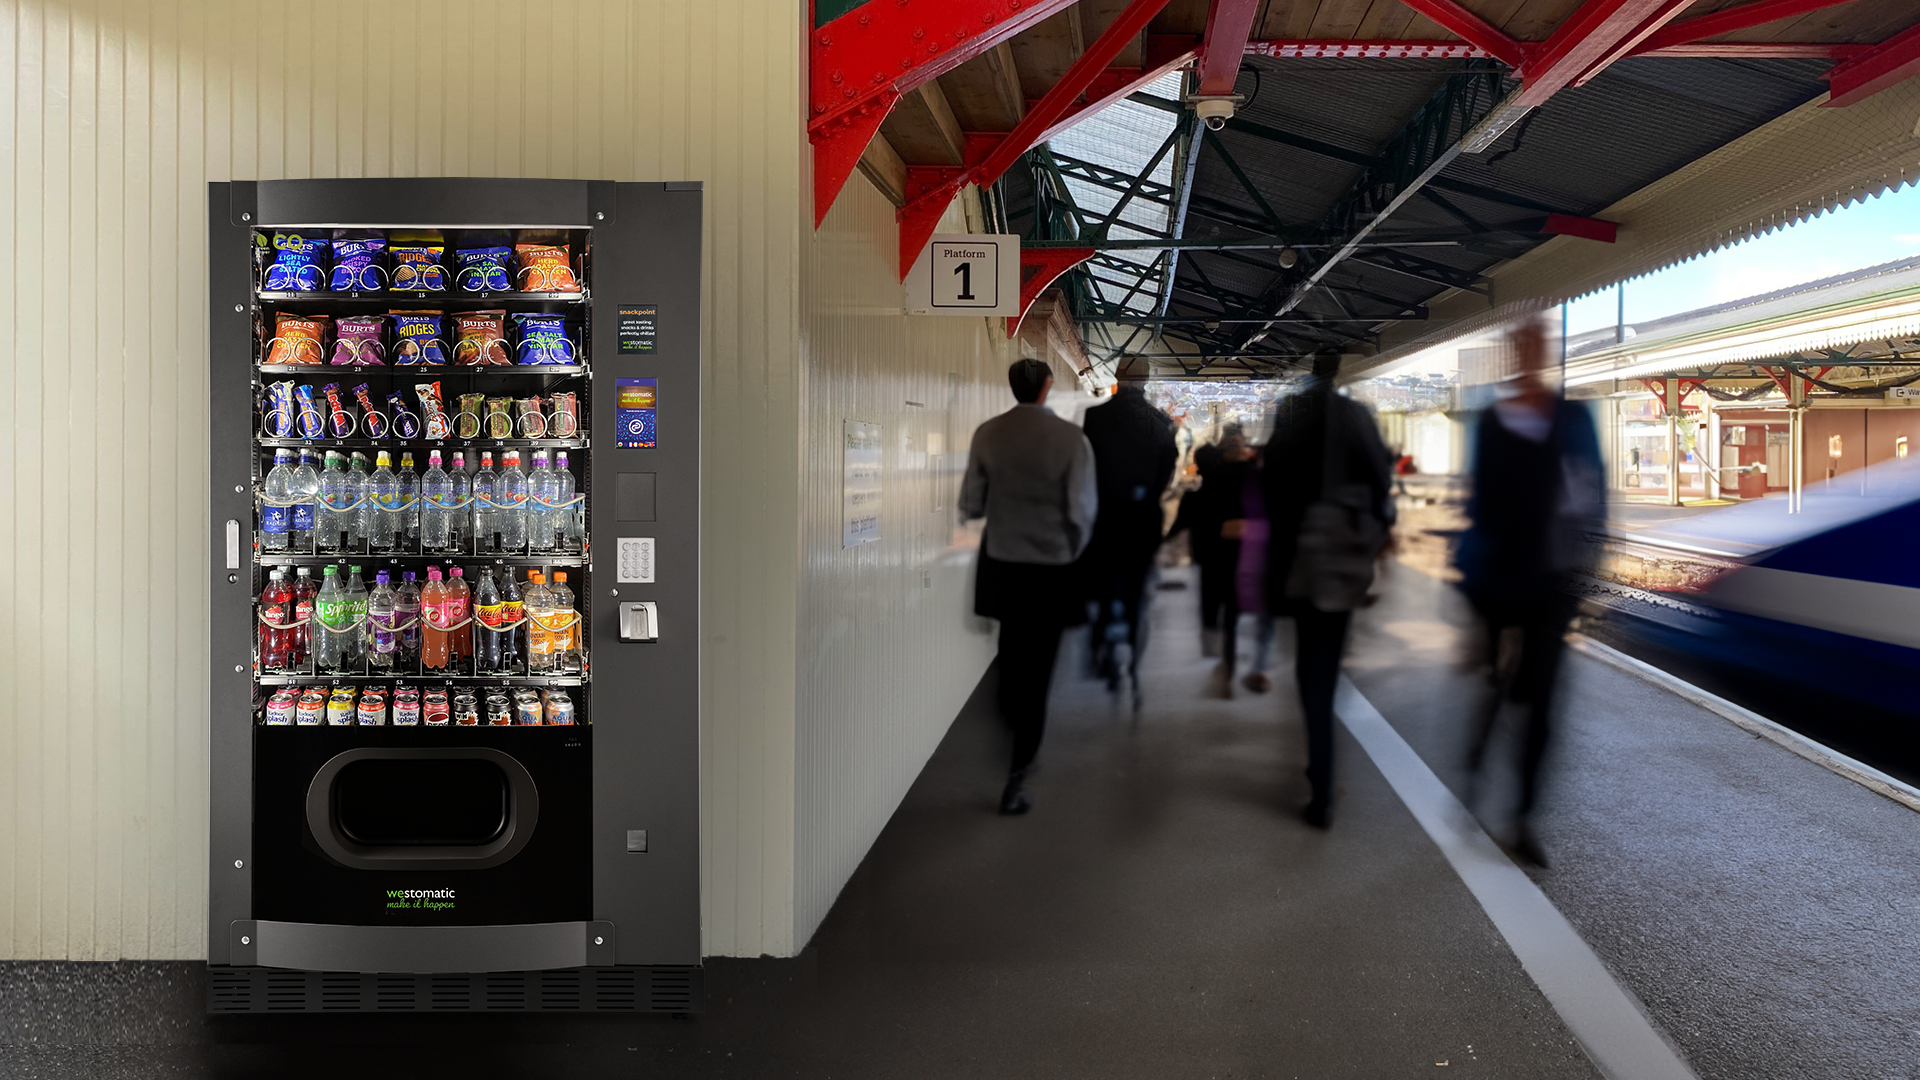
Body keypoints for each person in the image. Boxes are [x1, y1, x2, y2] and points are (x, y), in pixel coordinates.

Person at [1455, 318, 1604, 865]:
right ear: (1513, 352)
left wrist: (1589, 570)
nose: (1531, 350)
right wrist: (1471, 594)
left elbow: (1596, 492)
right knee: (1499, 686)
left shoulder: (1573, 416)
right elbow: (1478, 504)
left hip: (1553, 578)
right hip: (1498, 577)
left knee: (1541, 702)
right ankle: (1475, 764)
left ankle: (1521, 818)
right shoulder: (1492, 420)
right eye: (1522, 343)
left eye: (1538, 342)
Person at [960, 358, 1098, 816]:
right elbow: (1081, 512)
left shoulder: (988, 433)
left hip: (1002, 561)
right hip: (1053, 566)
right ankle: (1017, 773)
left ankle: (1008, 706)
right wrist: (1072, 549)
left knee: (1013, 649)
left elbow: (971, 503)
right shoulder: (1071, 440)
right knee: (1041, 667)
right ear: (1047, 387)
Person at [1264, 355, 1396, 829]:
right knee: (1328, 659)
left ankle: (1321, 780)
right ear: (1338, 371)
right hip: (1342, 559)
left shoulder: (1291, 412)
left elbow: (1270, 482)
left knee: (1310, 669)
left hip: (1299, 557)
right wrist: (1373, 534)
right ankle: (1321, 772)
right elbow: (1382, 483)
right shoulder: (1356, 415)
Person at [1079, 365, 1178, 706]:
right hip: (1143, 517)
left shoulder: (1094, 418)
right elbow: (1168, 467)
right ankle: (1133, 653)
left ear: (1118, 378)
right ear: (1146, 380)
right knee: (1137, 583)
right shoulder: (1160, 421)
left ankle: (1101, 644)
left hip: (1104, 515)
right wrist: (1150, 496)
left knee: (1106, 581)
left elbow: (1085, 466)